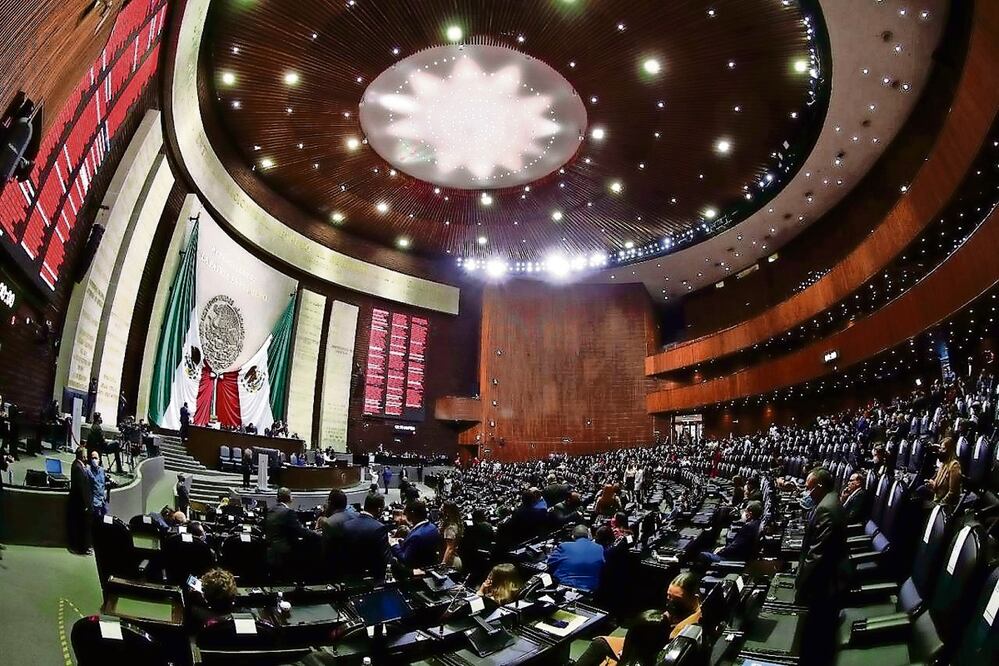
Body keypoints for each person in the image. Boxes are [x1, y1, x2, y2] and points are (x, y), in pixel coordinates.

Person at [575, 572, 702, 666]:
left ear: (694, 597)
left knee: (600, 644)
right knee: (600, 642)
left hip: (649, 650)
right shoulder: (685, 609)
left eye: (676, 599)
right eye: (669, 597)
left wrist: (631, 651)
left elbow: (661, 645)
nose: (670, 602)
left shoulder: (693, 622)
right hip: (646, 642)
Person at [795, 467, 848, 666]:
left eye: (809, 489)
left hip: (826, 585)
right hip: (829, 578)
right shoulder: (831, 500)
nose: (807, 493)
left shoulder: (826, 509)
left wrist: (801, 585)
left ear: (819, 486)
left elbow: (816, 556)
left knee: (815, 640)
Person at [263, 488, 311, 580]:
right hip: (284, 551)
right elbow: (300, 530)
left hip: (270, 550)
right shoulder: (288, 512)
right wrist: (316, 533)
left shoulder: (270, 510)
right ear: (289, 498)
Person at [340, 493, 391, 580]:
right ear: (379, 510)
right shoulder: (379, 528)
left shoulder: (346, 525)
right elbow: (383, 559)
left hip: (347, 575)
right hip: (370, 580)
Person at [546, 524, 605, 592]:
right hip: (591, 590)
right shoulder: (600, 548)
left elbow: (550, 563)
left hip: (566, 588)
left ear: (573, 536)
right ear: (589, 536)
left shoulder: (564, 546)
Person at [392, 500, 443, 570]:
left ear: (412, 513)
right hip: (429, 566)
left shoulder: (416, 536)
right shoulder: (432, 527)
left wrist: (394, 545)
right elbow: (419, 547)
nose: (404, 513)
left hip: (416, 572)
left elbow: (405, 560)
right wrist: (404, 541)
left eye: (406, 512)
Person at [319, 489, 355, 575]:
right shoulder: (356, 516)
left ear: (330, 503)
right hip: (356, 563)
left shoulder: (330, 522)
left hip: (337, 568)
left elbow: (326, 551)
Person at [924, 435, 963, 508]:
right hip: (937, 498)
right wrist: (931, 484)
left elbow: (952, 493)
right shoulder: (943, 464)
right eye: (940, 449)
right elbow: (938, 484)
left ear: (950, 450)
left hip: (944, 505)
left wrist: (939, 505)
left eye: (943, 449)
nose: (940, 451)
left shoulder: (954, 466)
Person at [68, 446, 93, 554]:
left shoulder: (80, 466)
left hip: (82, 502)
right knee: (82, 527)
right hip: (80, 503)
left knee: (84, 526)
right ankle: (82, 548)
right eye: (86, 454)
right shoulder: (77, 467)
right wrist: (85, 503)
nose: (87, 456)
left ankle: (85, 547)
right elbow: (80, 487)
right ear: (82, 456)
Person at [439, 501, 464, 570]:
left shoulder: (450, 527)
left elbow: (450, 548)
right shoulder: (456, 524)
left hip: (450, 562)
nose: (440, 510)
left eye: (442, 508)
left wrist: (443, 565)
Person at [87, 450, 109, 520]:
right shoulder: (88, 471)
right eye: (92, 458)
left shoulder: (102, 470)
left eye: (96, 458)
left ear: (99, 460)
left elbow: (102, 483)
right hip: (94, 504)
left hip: (103, 502)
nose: (94, 460)